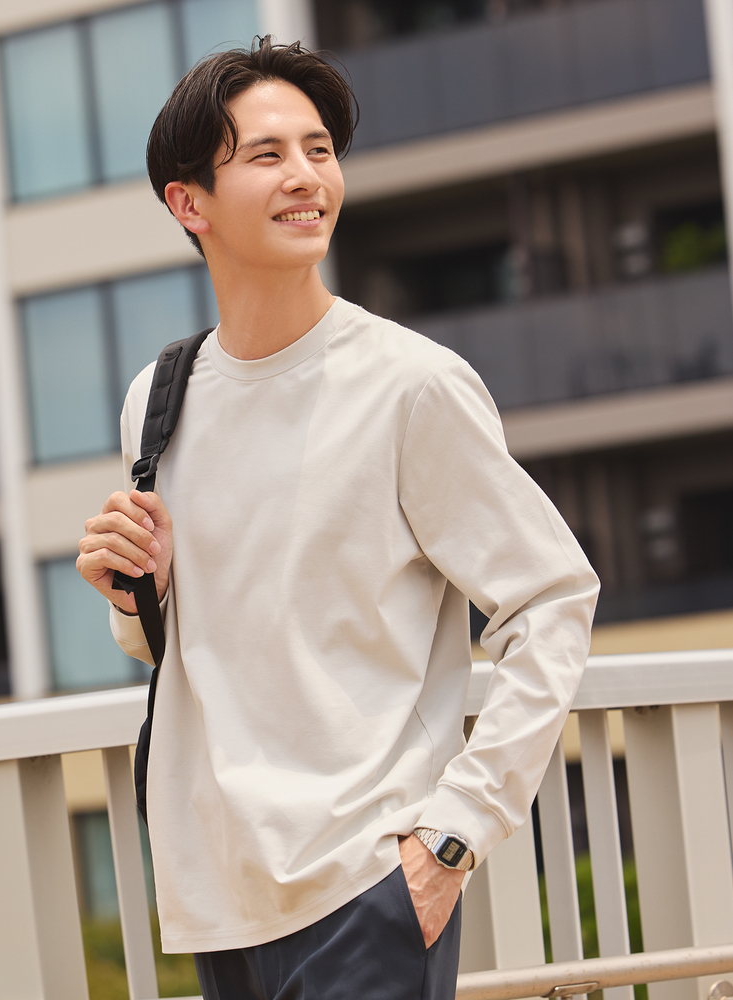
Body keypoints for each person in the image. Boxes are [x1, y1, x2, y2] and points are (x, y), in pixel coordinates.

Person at [77, 35, 599, 1000]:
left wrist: (452, 838)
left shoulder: (410, 385)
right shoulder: (159, 399)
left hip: (367, 883)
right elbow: (182, 645)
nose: (306, 176)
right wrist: (133, 593)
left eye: (318, 150)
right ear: (188, 203)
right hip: (219, 897)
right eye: (266, 155)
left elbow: (552, 599)